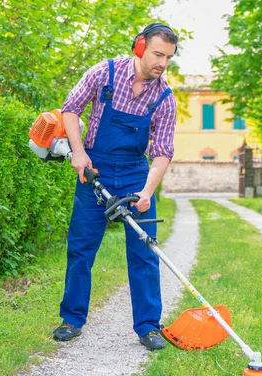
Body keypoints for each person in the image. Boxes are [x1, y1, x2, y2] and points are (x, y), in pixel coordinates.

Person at [52, 23, 179, 351]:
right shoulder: (103, 73)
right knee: (81, 247)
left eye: (168, 57)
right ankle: (72, 319)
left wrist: (147, 192)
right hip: (95, 169)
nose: (162, 63)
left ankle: (149, 326)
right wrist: (78, 152)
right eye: (157, 54)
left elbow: (162, 151)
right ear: (140, 47)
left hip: (137, 175)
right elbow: (70, 108)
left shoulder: (164, 97)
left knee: (144, 250)